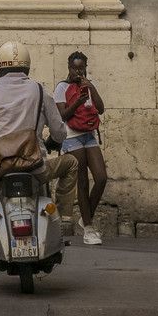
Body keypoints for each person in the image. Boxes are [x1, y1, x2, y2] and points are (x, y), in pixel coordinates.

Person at [0, 41, 79, 264]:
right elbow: (60, 133)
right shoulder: (39, 90)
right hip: (36, 168)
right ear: (27, 67)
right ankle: (62, 219)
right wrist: (51, 140)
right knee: (71, 162)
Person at [55, 51, 108, 244]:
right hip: (72, 137)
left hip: (89, 135)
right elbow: (62, 116)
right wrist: (77, 101)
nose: (78, 71)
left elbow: (100, 109)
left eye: (81, 68)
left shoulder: (89, 84)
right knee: (83, 181)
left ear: (85, 67)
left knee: (101, 177)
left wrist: (91, 89)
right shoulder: (61, 87)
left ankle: (85, 217)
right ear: (69, 68)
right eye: (74, 68)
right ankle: (88, 229)